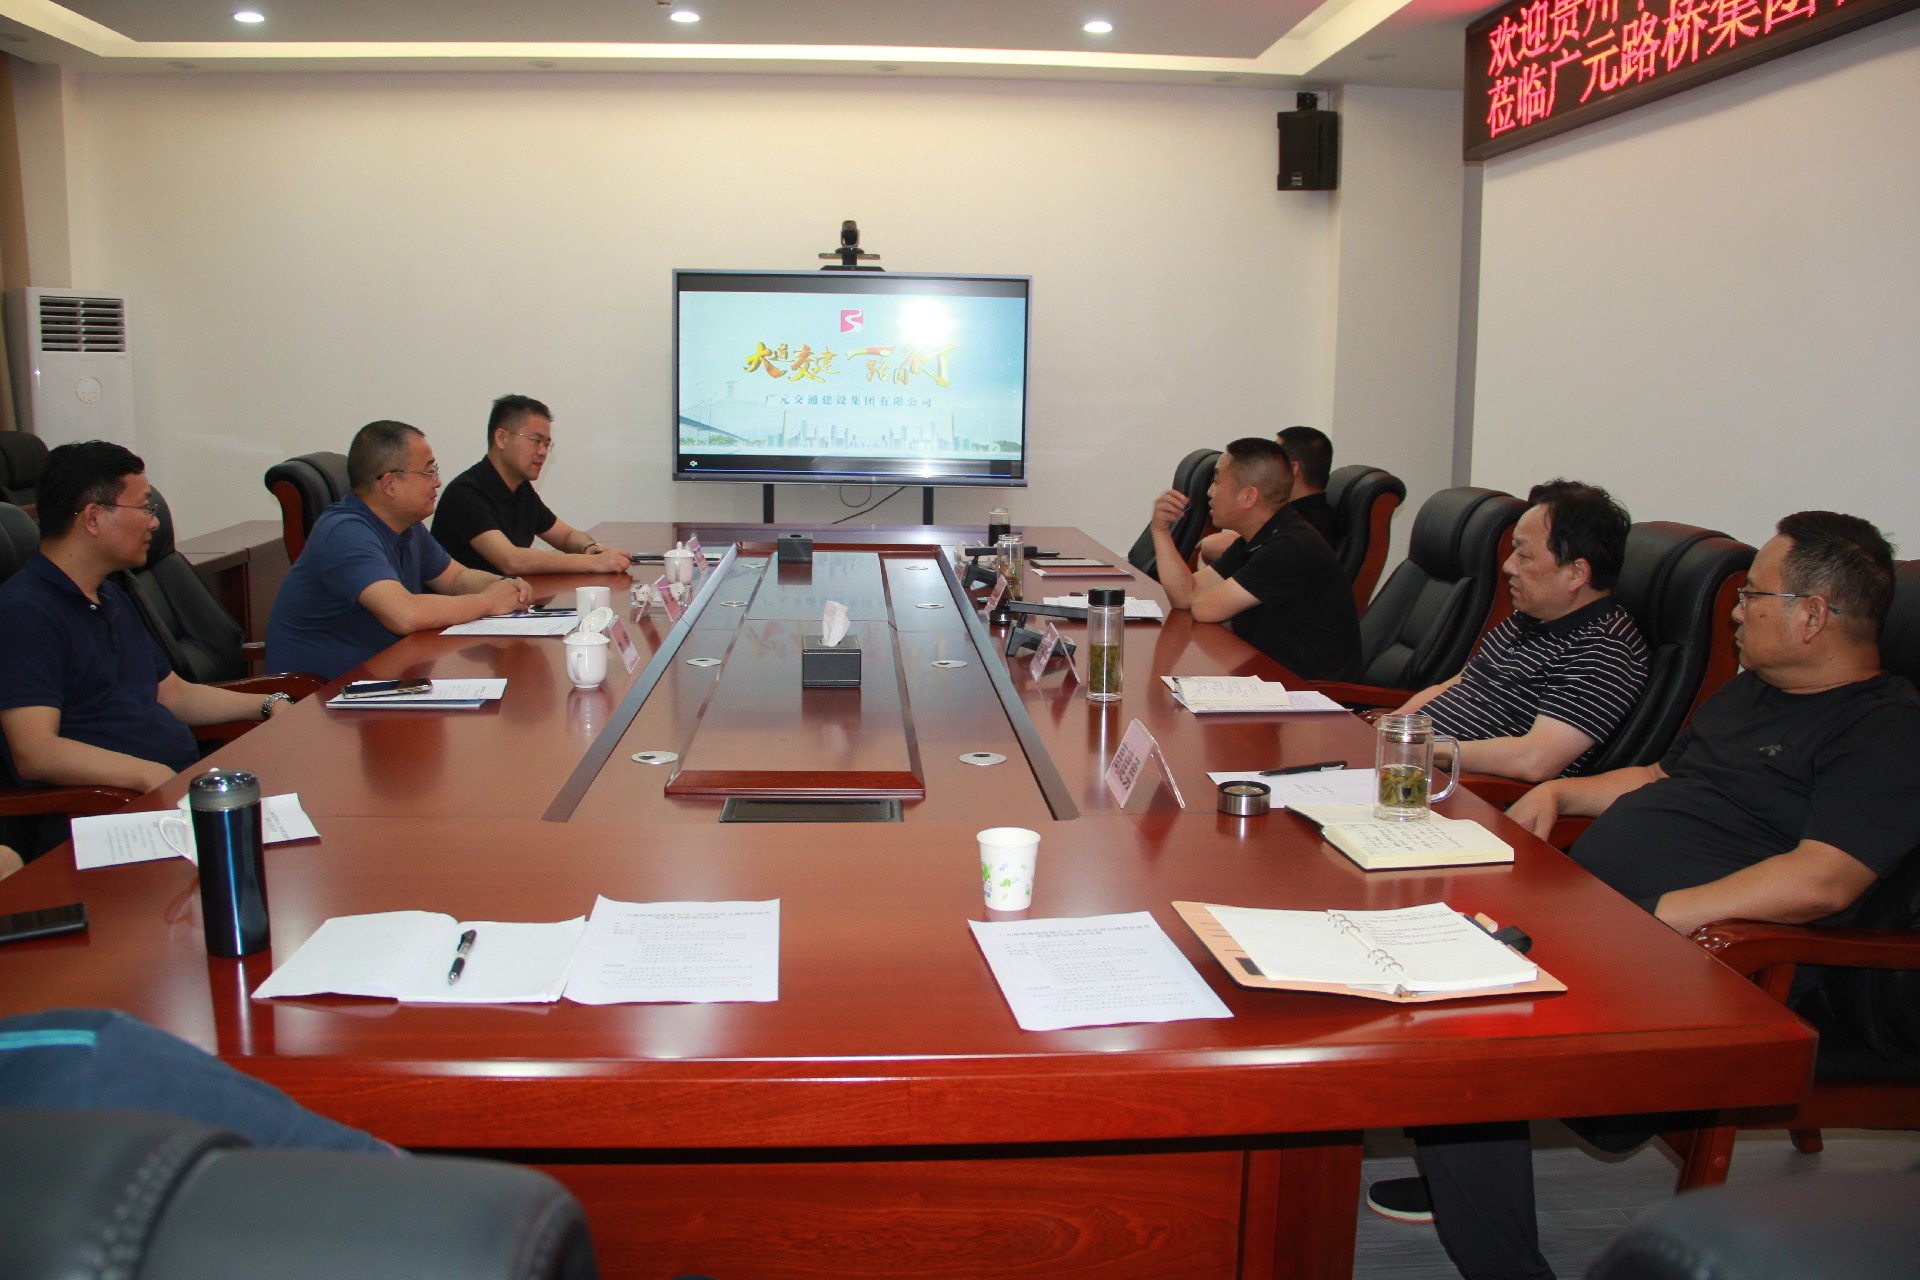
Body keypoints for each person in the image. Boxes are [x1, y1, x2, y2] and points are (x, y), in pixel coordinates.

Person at [1374, 510, 1920, 1280]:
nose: (1736, 613)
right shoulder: (1751, 695)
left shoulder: (1883, 730)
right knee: (1412, 947)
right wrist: (1565, 794)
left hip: (1703, 971)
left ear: (1812, 615)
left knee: (1463, 1046)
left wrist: (1662, 920)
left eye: (1753, 596)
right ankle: (1464, 1165)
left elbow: (1824, 877)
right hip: (1606, 930)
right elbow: (1660, 778)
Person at [0, 442, 294, 855]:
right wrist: (147, 775)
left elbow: (173, 694)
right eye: (144, 508)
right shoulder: (25, 611)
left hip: (170, 797)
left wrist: (269, 703)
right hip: (108, 819)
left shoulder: (108, 594)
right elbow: (36, 751)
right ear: (93, 517)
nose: (154, 522)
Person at [1393, 480, 1648, 782]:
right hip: (1415, 766)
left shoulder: (1605, 649)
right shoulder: (1530, 617)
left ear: (1576, 572)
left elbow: (1535, 760)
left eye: (1524, 556)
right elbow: (1456, 685)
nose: (1508, 566)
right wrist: (1392, 730)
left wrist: (1423, 750)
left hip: (1460, 791)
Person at [266, 420, 532, 681]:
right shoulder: (345, 533)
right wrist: (488, 602)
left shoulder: (407, 527)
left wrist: (505, 585)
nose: (438, 482)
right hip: (319, 694)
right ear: (390, 484)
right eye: (428, 472)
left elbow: (456, 578)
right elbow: (403, 615)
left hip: (385, 675)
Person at [1150, 436, 1361, 680]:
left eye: (1217, 482)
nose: (1210, 492)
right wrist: (1160, 530)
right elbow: (1186, 596)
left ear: (1248, 496)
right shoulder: (1260, 535)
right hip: (1269, 675)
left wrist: (1201, 594)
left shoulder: (1289, 546)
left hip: (1311, 692)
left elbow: (1202, 609)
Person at [431, 394, 632, 576]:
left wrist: (589, 548)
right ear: (501, 438)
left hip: (506, 599)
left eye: (546, 444)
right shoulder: (465, 494)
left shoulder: (521, 489)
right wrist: (592, 563)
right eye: (536, 440)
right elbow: (511, 561)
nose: (543, 452)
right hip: (464, 603)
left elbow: (566, 536)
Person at [1196, 424, 1336, 565]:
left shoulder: (1302, 527)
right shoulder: (1296, 515)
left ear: (1292, 468)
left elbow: (1212, 546)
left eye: (1276, 457)